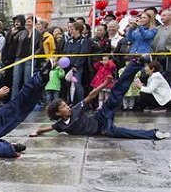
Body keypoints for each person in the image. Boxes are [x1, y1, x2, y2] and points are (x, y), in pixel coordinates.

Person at [35, 58, 170, 140]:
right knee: (119, 132)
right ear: (58, 113)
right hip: (102, 129)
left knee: (115, 94)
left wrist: (105, 84)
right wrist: (37, 132)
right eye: (64, 107)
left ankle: (136, 64)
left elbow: (91, 95)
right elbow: (47, 129)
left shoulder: (76, 109)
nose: (67, 107)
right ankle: (155, 134)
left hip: (100, 116)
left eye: (66, 105)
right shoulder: (60, 125)